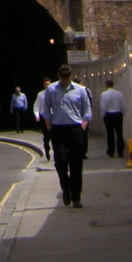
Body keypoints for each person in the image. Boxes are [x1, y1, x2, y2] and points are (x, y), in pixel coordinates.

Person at [41, 64, 93, 208]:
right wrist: (49, 127)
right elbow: (46, 110)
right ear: (59, 77)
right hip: (58, 130)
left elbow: (87, 110)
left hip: (75, 129)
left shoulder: (80, 90)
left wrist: (82, 126)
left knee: (76, 165)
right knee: (61, 162)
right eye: (62, 79)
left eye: (67, 79)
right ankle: (66, 187)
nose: (65, 81)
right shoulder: (51, 90)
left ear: (70, 77)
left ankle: (76, 196)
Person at [100, 77, 126, 158]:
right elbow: (123, 106)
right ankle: (120, 151)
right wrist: (122, 113)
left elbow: (103, 106)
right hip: (118, 114)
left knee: (110, 134)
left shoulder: (103, 94)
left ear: (106, 85)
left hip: (108, 114)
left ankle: (111, 151)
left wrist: (103, 115)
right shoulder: (119, 94)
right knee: (119, 133)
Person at [33, 79, 52, 160]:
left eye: (48, 84)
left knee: (55, 136)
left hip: (53, 117)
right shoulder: (40, 94)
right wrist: (37, 115)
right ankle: (47, 151)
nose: (47, 85)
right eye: (45, 84)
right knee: (46, 136)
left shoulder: (54, 93)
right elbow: (36, 106)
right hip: (44, 117)